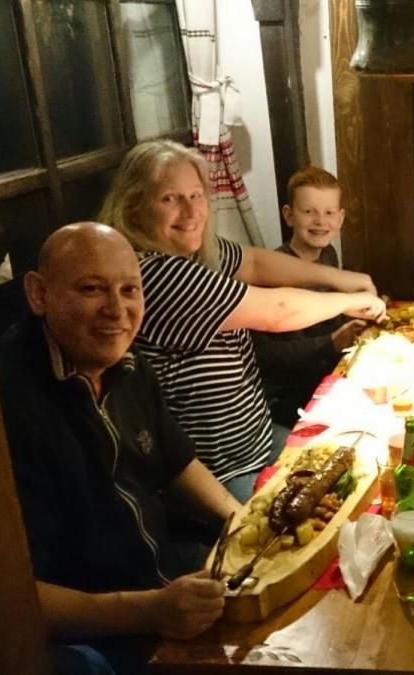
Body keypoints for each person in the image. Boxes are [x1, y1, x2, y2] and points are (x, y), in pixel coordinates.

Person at [0, 223, 240, 675]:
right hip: (100, 625)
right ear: (38, 294)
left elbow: (176, 458)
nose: (118, 310)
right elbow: (8, 593)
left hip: (164, 577)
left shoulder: (127, 361)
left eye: (130, 290)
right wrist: (152, 610)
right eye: (92, 289)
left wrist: (240, 519)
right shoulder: (1, 405)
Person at [99, 139, 386, 501]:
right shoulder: (152, 272)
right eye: (169, 199)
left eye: (196, 195)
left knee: (365, 463)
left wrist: (341, 278)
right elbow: (275, 311)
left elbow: (253, 262)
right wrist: (349, 299)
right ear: (134, 206)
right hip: (221, 471)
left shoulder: (197, 251)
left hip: (260, 438)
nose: (190, 212)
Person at [252, 166, 368, 427]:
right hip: (287, 399)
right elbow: (266, 357)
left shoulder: (328, 256)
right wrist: (332, 341)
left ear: (340, 219)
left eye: (328, 213)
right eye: (308, 212)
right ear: (289, 216)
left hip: (327, 379)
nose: (320, 222)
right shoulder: (273, 271)